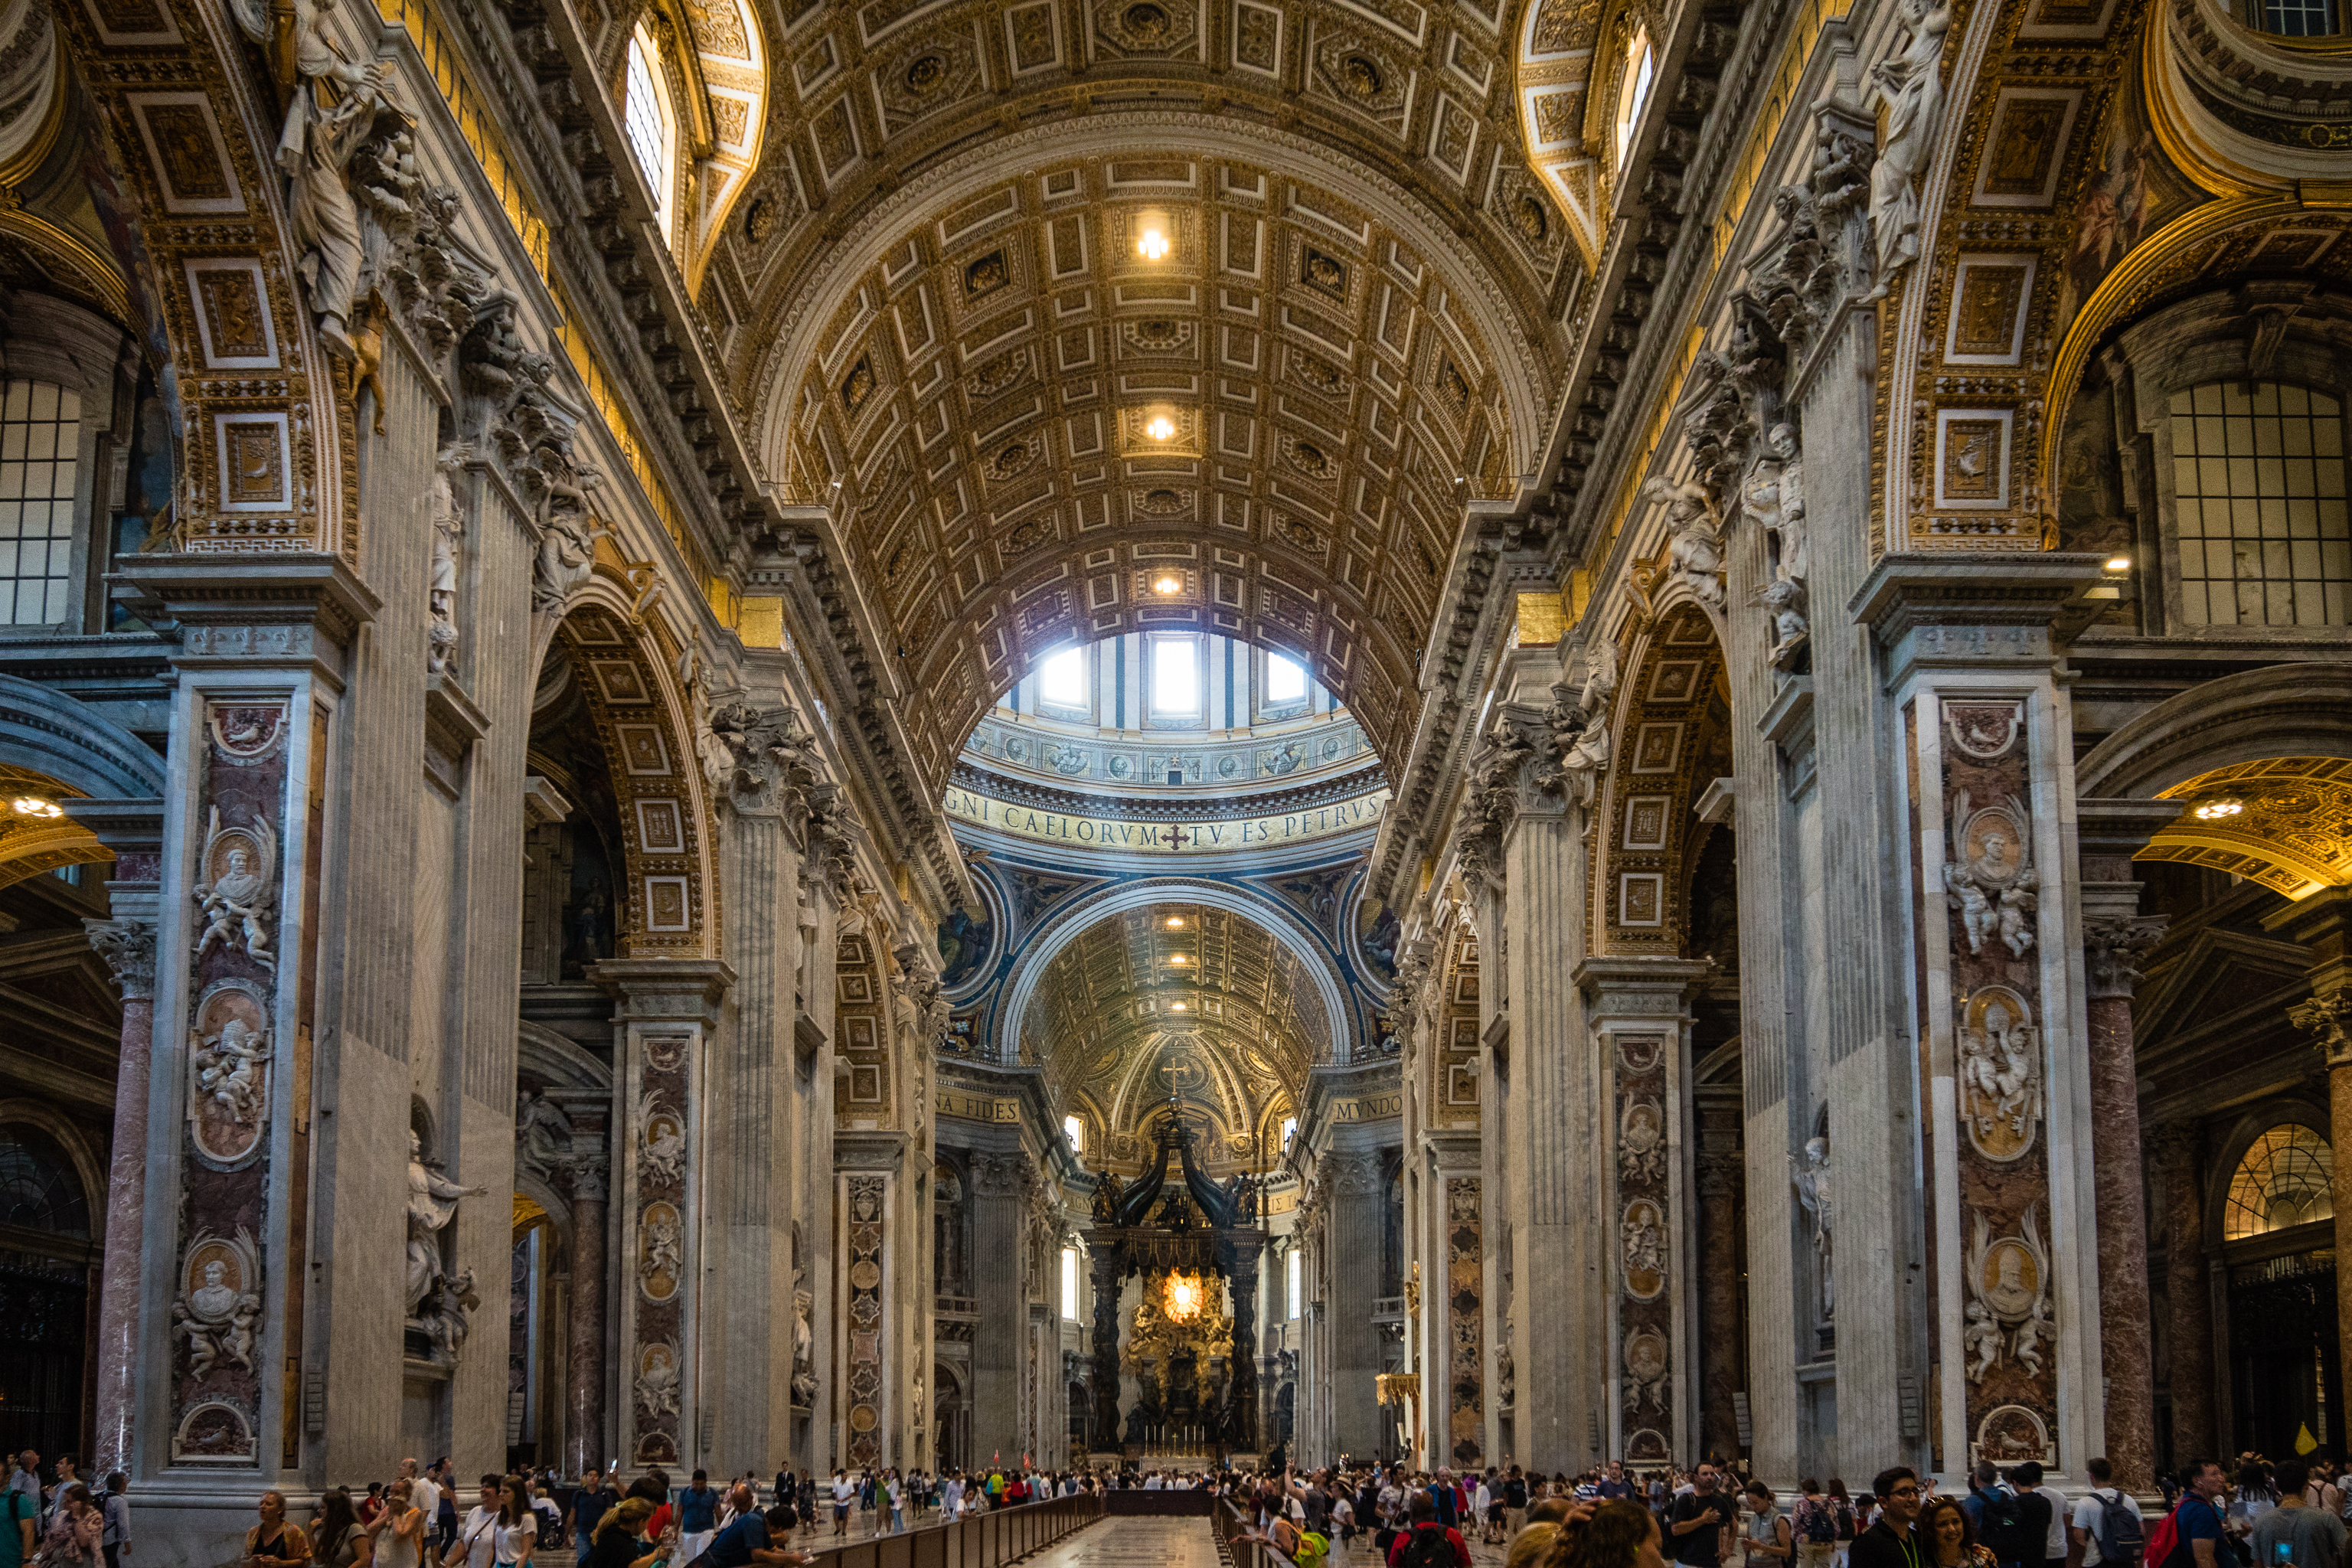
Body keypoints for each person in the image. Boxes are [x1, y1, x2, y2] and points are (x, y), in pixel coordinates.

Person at [2251, 1462, 2344, 1568]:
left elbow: (2257, 1563)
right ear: (2307, 1485)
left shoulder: (2261, 1522)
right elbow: (2348, 1551)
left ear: (2276, 1486)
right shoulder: (2327, 1519)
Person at [2069, 1458, 2143, 1568]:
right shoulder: (2128, 1499)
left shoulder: (2085, 1502)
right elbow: (2141, 1529)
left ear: (2091, 1476)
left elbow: (2078, 1535)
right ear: (2110, 1475)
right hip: (2126, 1560)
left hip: (2097, 1561)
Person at [702, 1498, 812, 1568]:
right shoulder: (754, 1521)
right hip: (713, 1563)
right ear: (780, 1527)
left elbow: (772, 1549)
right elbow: (757, 1554)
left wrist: (793, 1555)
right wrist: (789, 1559)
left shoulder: (763, 1522)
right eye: (785, 1529)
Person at [2161, 1462, 2232, 1568]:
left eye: (2220, 1474)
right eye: (2214, 1474)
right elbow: (2204, 1560)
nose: (2222, 1479)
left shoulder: (2186, 1504)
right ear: (2197, 1481)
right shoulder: (2201, 1511)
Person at [1851, 1470, 1922, 1568]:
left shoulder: (1918, 1539)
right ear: (1884, 1502)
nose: (1913, 1498)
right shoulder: (1867, 1544)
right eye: (1903, 1493)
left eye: (1915, 1492)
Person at [1389, 1491, 1472, 1568]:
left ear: (1412, 1512)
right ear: (1434, 1511)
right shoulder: (1452, 1534)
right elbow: (1467, 1566)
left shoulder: (1404, 1538)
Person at [1671, 1465, 1732, 1568]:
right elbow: (1676, 1529)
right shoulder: (1685, 1501)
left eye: (1712, 1474)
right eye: (1705, 1474)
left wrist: (1728, 1549)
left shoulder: (1718, 1500)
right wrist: (1702, 1520)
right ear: (1696, 1477)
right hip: (1688, 1562)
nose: (1709, 1477)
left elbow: (1733, 1524)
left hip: (1712, 1562)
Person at [446, 1478, 507, 1568]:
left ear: (499, 1492)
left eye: (487, 1487)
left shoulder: (505, 1517)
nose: (482, 1490)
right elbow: (464, 1544)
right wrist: (449, 1565)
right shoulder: (475, 1512)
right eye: (482, 1486)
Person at [1921, 1498, 1998, 1568]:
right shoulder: (1924, 1562)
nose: (1952, 1529)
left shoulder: (1978, 1555)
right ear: (1930, 1530)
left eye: (1956, 1522)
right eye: (1943, 1524)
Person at [39, 1486, 101, 1568]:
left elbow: (83, 1542)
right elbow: (52, 1539)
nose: (65, 1504)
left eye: (69, 1501)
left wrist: (76, 1517)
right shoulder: (63, 1515)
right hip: (60, 1563)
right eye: (65, 1500)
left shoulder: (93, 1518)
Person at [583, 1500, 656, 1568]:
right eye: (647, 1522)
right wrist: (657, 1554)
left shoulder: (612, 1535)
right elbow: (632, 1565)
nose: (647, 1526)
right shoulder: (621, 1543)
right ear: (640, 1522)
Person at [314, 1489, 375, 1568]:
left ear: (334, 1510)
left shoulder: (355, 1529)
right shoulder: (331, 1530)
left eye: (323, 1507)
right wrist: (310, 1534)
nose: (319, 1511)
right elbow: (319, 1560)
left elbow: (364, 1560)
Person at [250, 1494, 315, 1568]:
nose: (263, 1507)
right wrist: (251, 1562)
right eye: (261, 1504)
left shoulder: (293, 1532)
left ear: (280, 1510)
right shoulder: (253, 1532)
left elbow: (306, 1560)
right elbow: (243, 1561)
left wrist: (281, 1563)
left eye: (269, 1504)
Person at [374, 1481, 426, 1568]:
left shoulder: (415, 1513)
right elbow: (370, 1531)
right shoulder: (386, 1510)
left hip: (404, 1564)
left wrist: (396, 1514)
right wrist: (387, 1518)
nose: (393, 1496)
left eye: (398, 1493)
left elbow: (399, 1536)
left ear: (407, 1496)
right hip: (382, 1563)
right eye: (391, 1493)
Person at [1743, 1483, 1792, 1568]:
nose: (1753, 1507)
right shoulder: (1753, 1519)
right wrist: (1748, 1546)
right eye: (1750, 1503)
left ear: (1765, 1497)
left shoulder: (1778, 1519)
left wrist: (1762, 1547)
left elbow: (1787, 1551)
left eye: (1755, 1502)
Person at [678, 1472, 720, 1565]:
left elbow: (718, 1513)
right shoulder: (684, 1492)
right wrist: (675, 1530)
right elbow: (680, 1511)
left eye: (701, 1484)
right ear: (692, 1481)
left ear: (706, 1482)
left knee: (701, 1560)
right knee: (690, 1561)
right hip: (688, 1532)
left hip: (706, 1531)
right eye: (696, 1484)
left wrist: (722, 1530)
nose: (698, 1486)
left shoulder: (713, 1493)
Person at [98, 1473, 129, 1568]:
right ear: (122, 1485)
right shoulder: (120, 1501)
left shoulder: (101, 1496)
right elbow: (123, 1525)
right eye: (125, 1482)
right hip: (110, 1541)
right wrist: (127, 1542)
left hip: (99, 1537)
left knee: (114, 1564)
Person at [831, 1472, 854, 1539]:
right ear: (841, 1476)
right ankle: (837, 1528)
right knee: (836, 1516)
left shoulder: (849, 1485)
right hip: (838, 1503)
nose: (845, 1477)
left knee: (845, 1517)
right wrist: (836, 1498)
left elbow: (852, 1493)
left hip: (845, 1503)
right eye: (844, 1475)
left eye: (846, 1476)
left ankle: (844, 1530)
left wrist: (846, 1498)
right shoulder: (837, 1484)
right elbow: (834, 1492)